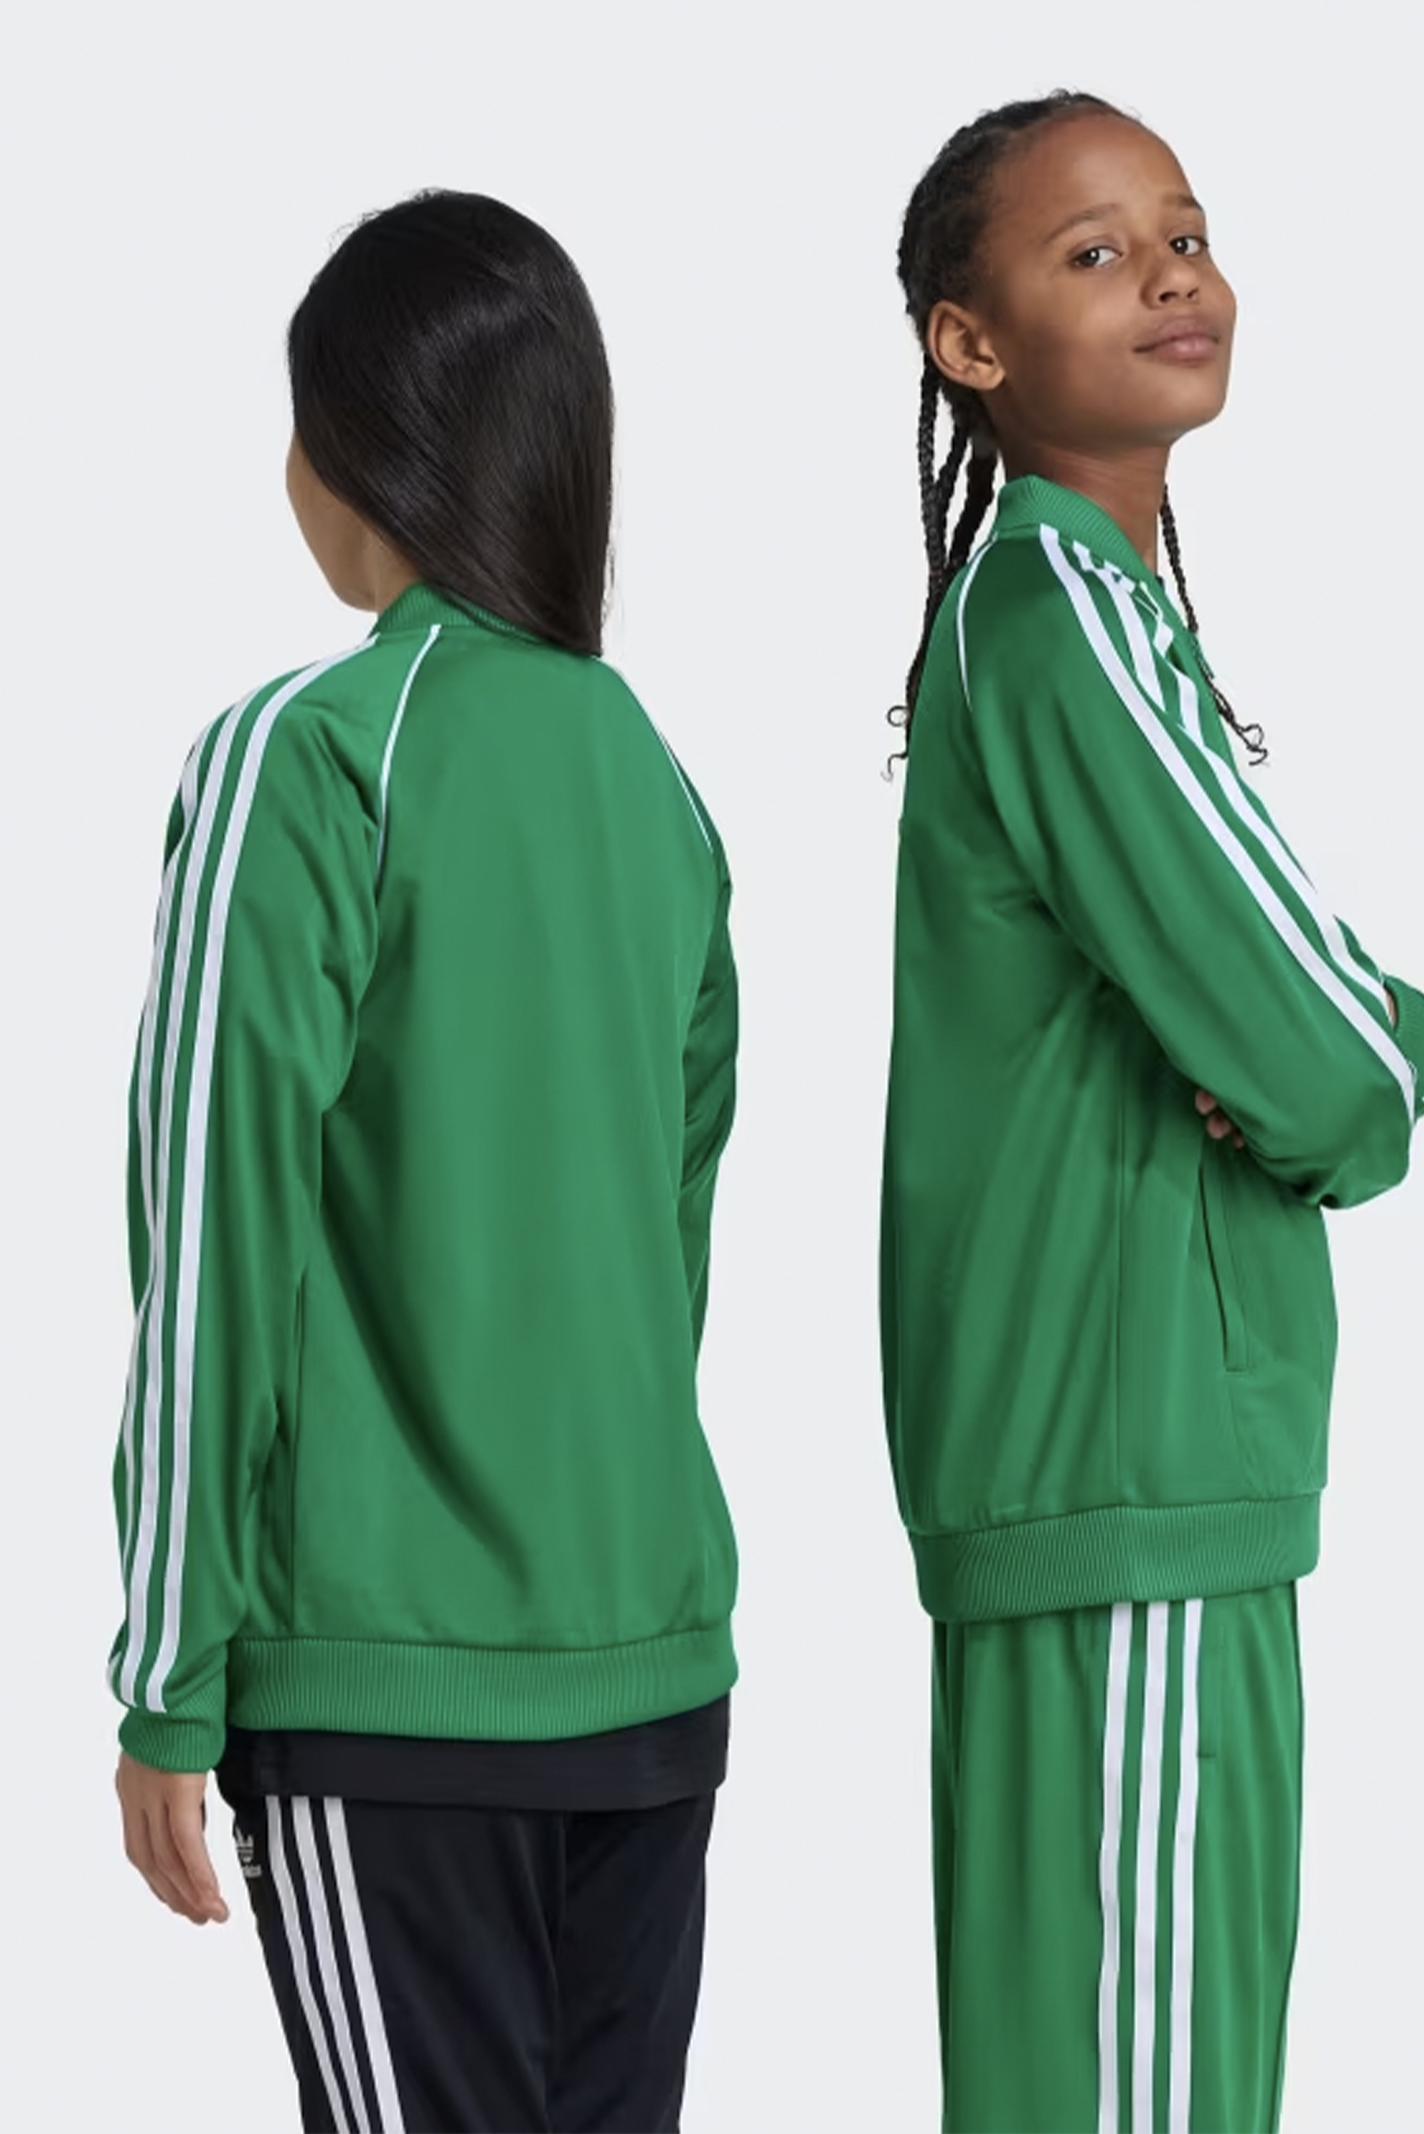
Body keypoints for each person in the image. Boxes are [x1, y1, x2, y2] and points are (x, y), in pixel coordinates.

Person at [108, 191, 739, 2134]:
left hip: (392, 1694)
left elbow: (214, 1235)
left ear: (351, 453)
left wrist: (168, 1672)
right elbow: (673, 1237)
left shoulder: (303, 756)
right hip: (652, 1683)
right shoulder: (655, 781)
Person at [880, 93, 1424, 2133]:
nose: (1168, 278)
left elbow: (1286, 1013)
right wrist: (1381, 1061)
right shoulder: (1062, 617)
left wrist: (1329, 1036)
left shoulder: (1084, 619)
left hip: (1116, 1471)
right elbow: (1332, 1053)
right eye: (1094, 252)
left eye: (1184, 235)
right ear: (970, 343)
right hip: (1123, 1473)